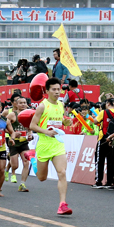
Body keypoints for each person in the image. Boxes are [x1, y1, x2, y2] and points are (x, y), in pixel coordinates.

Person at [29, 77, 73, 215]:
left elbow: (61, 121)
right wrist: (46, 132)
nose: (57, 92)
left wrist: (66, 122)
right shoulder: (42, 106)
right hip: (44, 145)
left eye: (58, 89)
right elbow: (32, 125)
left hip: (57, 144)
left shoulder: (60, 105)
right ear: (47, 91)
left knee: (62, 172)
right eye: (53, 89)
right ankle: (32, 159)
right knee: (42, 178)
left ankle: (62, 204)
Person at [6, 97, 32, 192]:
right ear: (16, 104)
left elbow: (30, 128)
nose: (23, 104)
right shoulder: (12, 115)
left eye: (24, 102)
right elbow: (4, 127)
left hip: (24, 143)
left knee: (26, 162)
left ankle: (22, 184)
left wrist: (30, 134)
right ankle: (7, 169)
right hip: (14, 143)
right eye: (20, 103)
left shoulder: (29, 114)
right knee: (15, 166)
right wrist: (12, 133)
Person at [92, 99, 114, 189]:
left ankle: (99, 181)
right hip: (113, 139)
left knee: (99, 160)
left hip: (103, 139)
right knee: (110, 161)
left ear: (108, 104)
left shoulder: (104, 112)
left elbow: (95, 121)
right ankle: (109, 181)